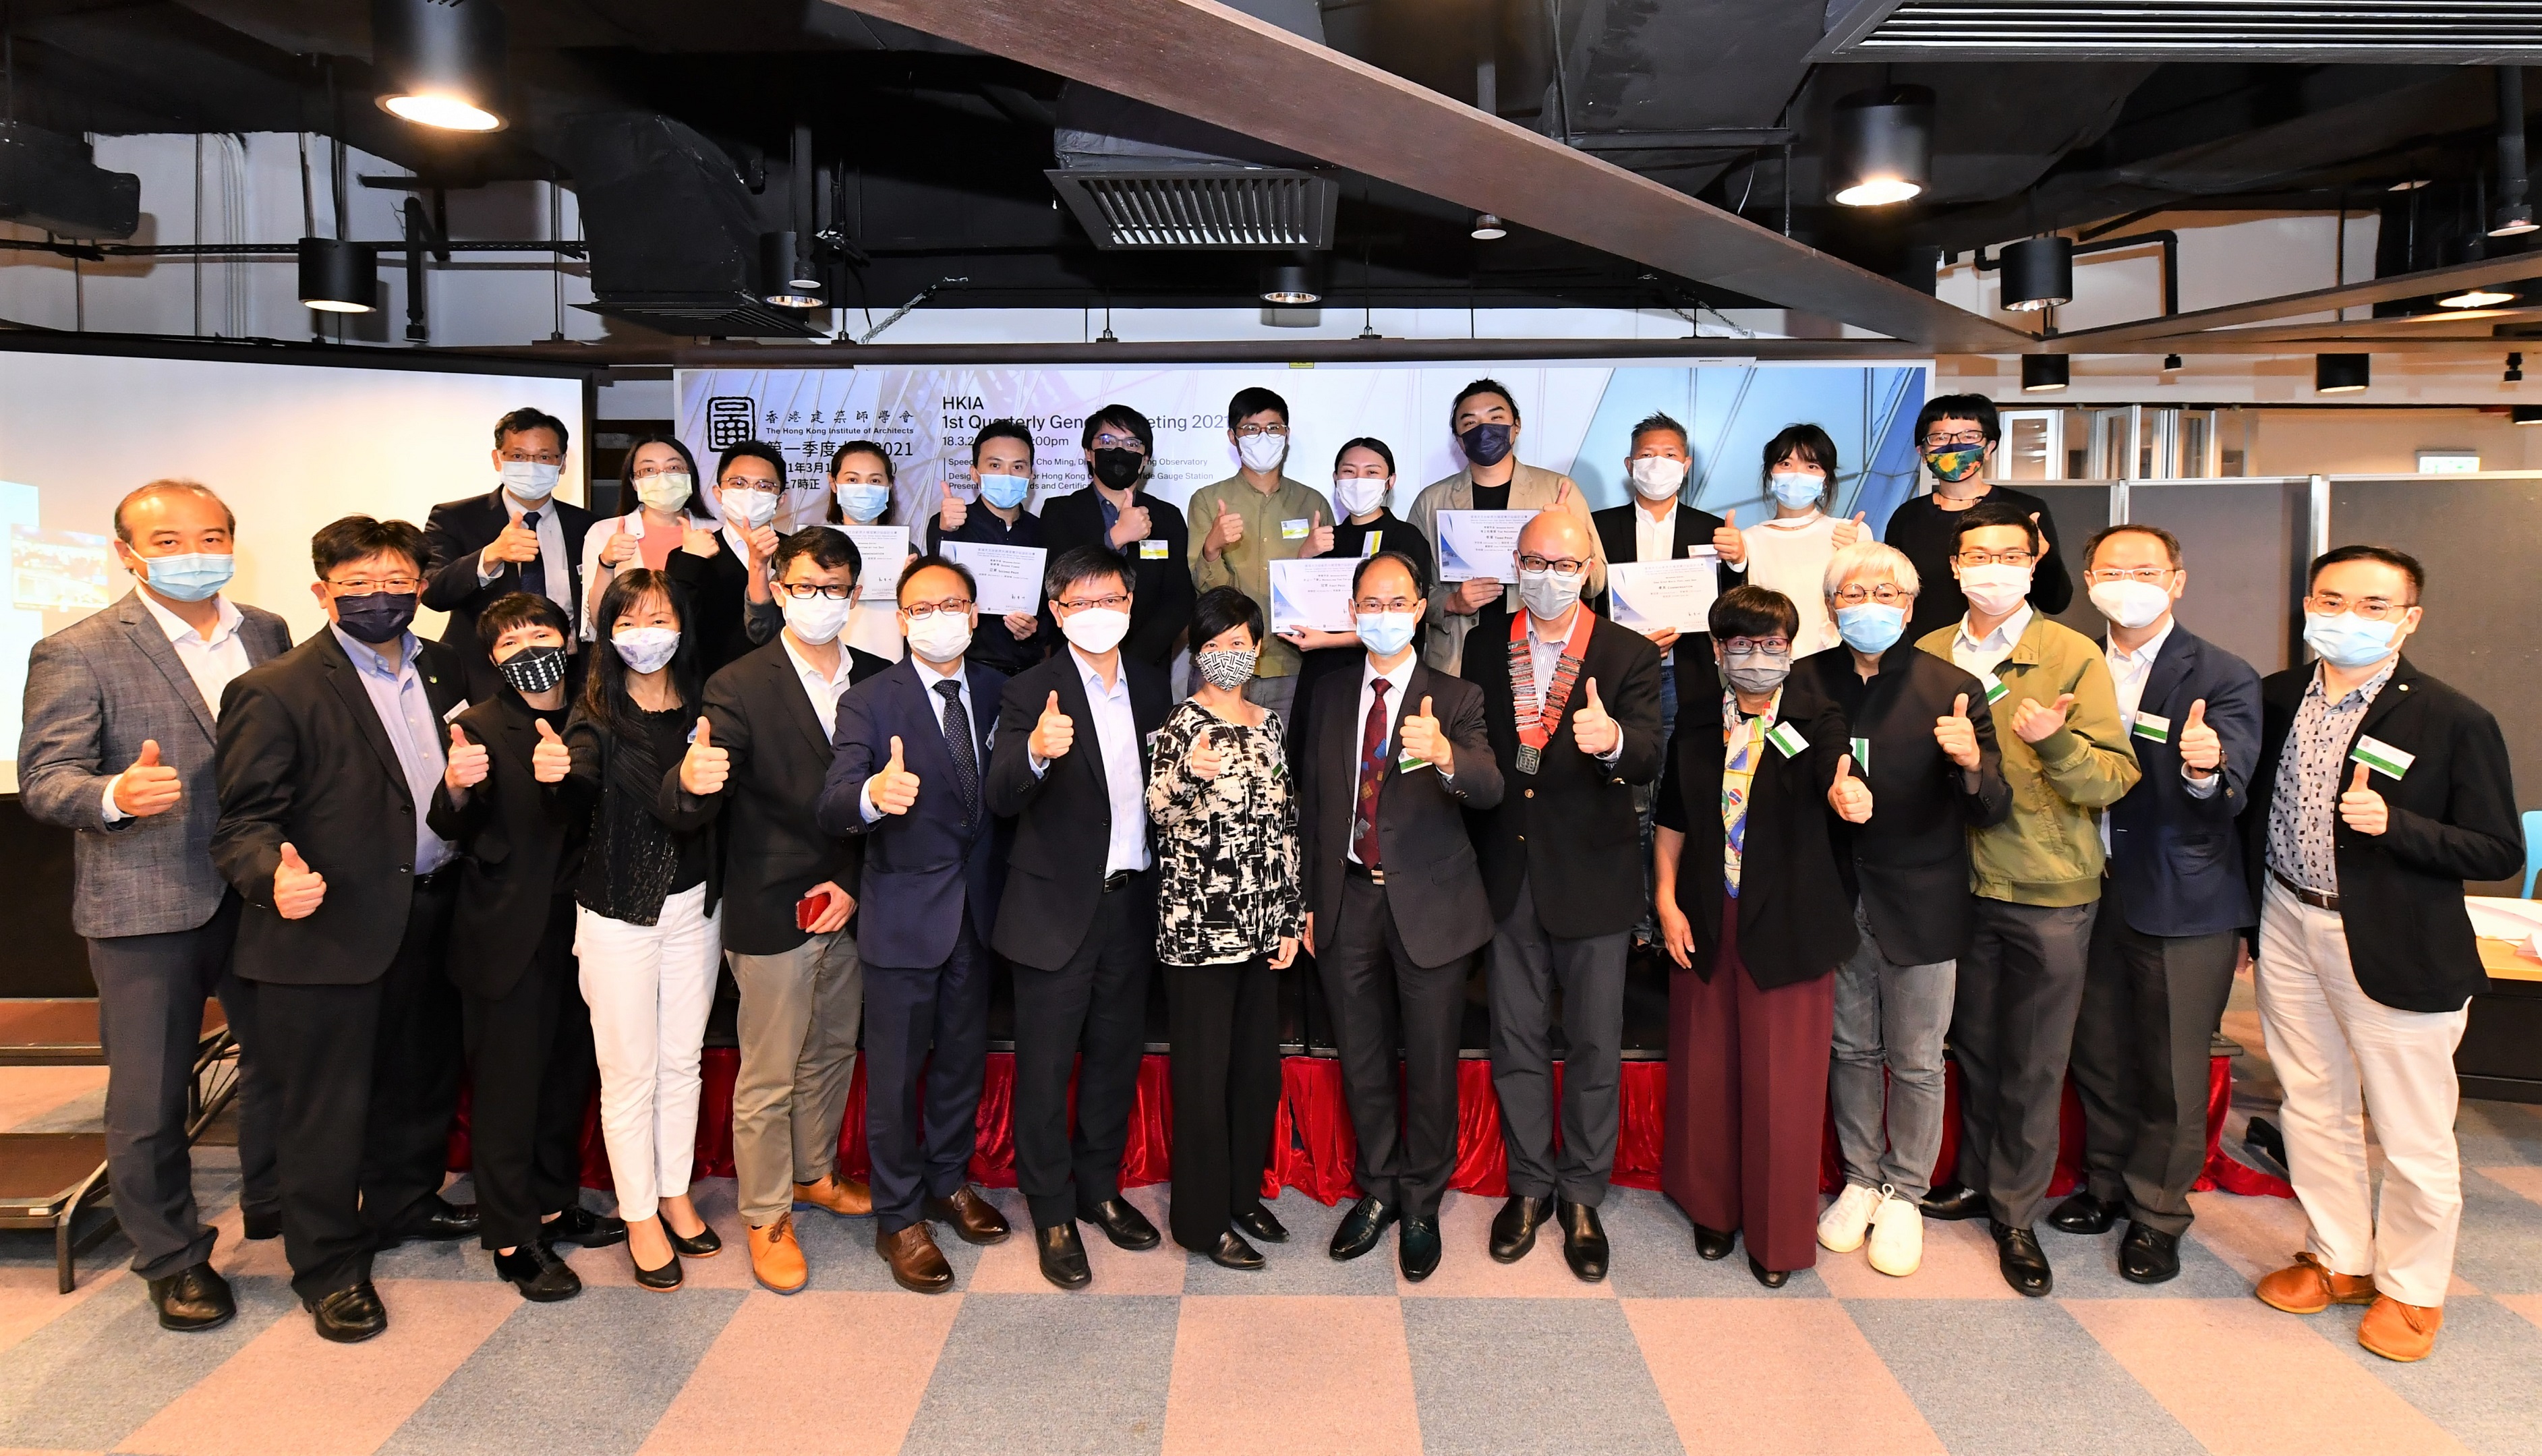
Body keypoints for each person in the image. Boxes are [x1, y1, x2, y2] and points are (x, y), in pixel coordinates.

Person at [19, 479, 285, 1331]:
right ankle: (171, 1255)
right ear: (126, 552)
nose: (193, 552)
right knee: (149, 1096)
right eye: (167, 540)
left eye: (210, 535)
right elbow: (44, 781)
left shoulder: (268, 630)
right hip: (143, 897)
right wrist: (114, 793)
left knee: (281, 1065)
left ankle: (279, 1204)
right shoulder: (80, 648)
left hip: (260, 891)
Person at [2246, 546, 2519, 1363]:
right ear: (2305, 603)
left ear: (2410, 618)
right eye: (2332, 599)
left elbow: (2495, 845)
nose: (2347, 617)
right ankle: (2339, 1257)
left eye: (2372, 605)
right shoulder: (2276, 694)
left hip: (2395, 942)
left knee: (2412, 1129)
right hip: (2287, 919)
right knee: (2311, 1101)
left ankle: (2411, 1287)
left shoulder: (2451, 717)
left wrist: (2396, 827)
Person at [210, 516, 477, 1343]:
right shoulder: (277, 687)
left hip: (437, 908)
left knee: (418, 1075)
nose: (380, 598)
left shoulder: (446, 668)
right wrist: (271, 875)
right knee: (325, 1106)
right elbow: (243, 821)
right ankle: (327, 1265)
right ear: (322, 591)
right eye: (358, 585)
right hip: (328, 925)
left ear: (421, 586)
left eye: (396, 582)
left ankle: (402, 1201)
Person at [1912, 499, 2138, 1298]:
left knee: (2036, 1058)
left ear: (2035, 559)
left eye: (2009, 554)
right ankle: (1974, 1177)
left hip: (2048, 889)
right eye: (1977, 555)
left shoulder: (2071, 654)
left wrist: (2055, 739)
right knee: (1972, 1045)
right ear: (1953, 566)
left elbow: (2113, 777)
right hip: (1955, 885)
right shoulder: (1930, 649)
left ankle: (2014, 1210)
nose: (1992, 568)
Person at [659, 529, 888, 1294]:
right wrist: (690, 779)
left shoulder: (882, 680)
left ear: (855, 596)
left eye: (835, 588)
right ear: (780, 589)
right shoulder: (738, 682)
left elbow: (886, 802)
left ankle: (813, 1173)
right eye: (805, 586)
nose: (820, 601)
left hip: (852, 897)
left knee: (830, 1052)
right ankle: (764, 1212)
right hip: (771, 903)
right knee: (768, 1068)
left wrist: (849, 881)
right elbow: (701, 798)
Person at [2050, 524, 2262, 1285]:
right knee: (2098, 1050)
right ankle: (2105, 1184)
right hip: (2085, 887)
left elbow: (2228, 790)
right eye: (2111, 569)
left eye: (2144, 569)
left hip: (2183, 896)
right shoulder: (2071, 658)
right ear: (2087, 578)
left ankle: (2158, 1213)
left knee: (2172, 1067)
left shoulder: (2222, 672)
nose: (2127, 581)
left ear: (2176, 579)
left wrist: (2207, 769)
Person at [1459, 509, 1663, 1281]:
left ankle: (1581, 1191)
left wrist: (1611, 741)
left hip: (1594, 879)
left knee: (1592, 1044)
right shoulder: (1485, 642)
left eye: (1565, 563)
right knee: (1514, 1040)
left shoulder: (1626, 650)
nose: (1549, 575)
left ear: (1589, 568)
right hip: (1507, 876)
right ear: (1516, 562)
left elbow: (1648, 755)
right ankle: (1528, 1186)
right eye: (1536, 560)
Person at [1794, 542, 2007, 1279]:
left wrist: (1970, 760)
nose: (1870, 602)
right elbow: (1783, 774)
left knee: (1917, 1056)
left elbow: (1993, 806)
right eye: (1853, 591)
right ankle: (1859, 1177)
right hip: (1834, 894)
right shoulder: (1803, 679)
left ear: (1912, 606)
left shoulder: (1953, 686)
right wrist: (1824, 789)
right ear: (1830, 606)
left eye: (1886, 591)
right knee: (1850, 1046)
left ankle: (1905, 1189)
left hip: (1921, 897)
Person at [1296, 550, 1501, 1281]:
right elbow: (1310, 804)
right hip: (1347, 897)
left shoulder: (1457, 695)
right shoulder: (1323, 693)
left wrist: (1444, 753)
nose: (1383, 612)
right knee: (1363, 1056)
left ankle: (1421, 1199)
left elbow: (1488, 787)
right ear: (1352, 610)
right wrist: (1308, 903)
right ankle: (1377, 1187)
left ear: (1420, 607)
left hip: (1431, 906)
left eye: (1397, 600)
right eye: (1369, 601)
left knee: (1432, 1058)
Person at [1652, 585, 1861, 1287]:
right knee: (1707, 1070)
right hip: (1707, 917)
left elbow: (1839, 770)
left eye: (1772, 645)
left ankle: (1776, 1236)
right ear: (1716, 650)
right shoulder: (1693, 727)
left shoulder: (1815, 716)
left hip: (1790, 924)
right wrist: (1664, 898)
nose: (1757, 658)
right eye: (1740, 644)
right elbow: (1673, 819)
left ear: (1790, 650)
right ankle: (1711, 1208)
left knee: (1783, 1084)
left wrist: (1847, 791)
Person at [815, 554, 1012, 1293]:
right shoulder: (869, 700)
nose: (939, 617)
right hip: (903, 917)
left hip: (979, 913)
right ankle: (898, 1216)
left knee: (962, 1061)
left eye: (953, 603)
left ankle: (947, 1179)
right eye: (922, 607)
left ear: (973, 612)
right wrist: (873, 791)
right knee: (896, 1076)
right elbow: (833, 801)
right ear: (900, 619)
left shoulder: (999, 689)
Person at [984, 546, 1172, 1289]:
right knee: (1046, 1066)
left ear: (1130, 604)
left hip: (1133, 903)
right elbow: (1000, 795)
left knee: (1114, 1056)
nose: (1100, 613)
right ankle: (1053, 1207)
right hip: (1055, 909)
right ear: (1057, 611)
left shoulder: (1155, 685)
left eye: (1113, 598)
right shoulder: (1028, 690)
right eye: (1082, 601)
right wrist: (1033, 752)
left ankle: (1098, 1186)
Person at [426, 591, 620, 1303]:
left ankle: (552, 1203)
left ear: (568, 641)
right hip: (508, 934)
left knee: (566, 1075)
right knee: (509, 1088)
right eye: (509, 643)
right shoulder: (477, 725)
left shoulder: (596, 713)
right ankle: (512, 1237)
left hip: (591, 930)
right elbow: (450, 818)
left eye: (539, 633)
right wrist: (454, 787)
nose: (528, 649)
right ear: (493, 660)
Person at [560, 569, 725, 1291]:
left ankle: (674, 1190)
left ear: (683, 625)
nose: (644, 634)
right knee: (629, 1071)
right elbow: (577, 783)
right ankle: (637, 1212)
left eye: (659, 618)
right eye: (627, 622)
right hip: (619, 913)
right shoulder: (592, 712)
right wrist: (552, 774)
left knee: (682, 1061)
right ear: (607, 632)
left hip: (697, 907)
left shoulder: (707, 705)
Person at [1145, 586, 1304, 1270]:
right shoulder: (1177, 725)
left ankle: (1242, 1194)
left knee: (1254, 1077)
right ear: (1196, 652)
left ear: (1258, 647)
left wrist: (1292, 917)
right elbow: (1157, 811)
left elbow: (1285, 827)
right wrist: (1187, 775)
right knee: (1203, 1084)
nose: (1229, 654)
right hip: (1199, 933)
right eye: (1215, 644)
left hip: (1264, 931)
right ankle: (1200, 1221)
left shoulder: (1269, 724)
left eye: (1240, 642)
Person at [1590, 411, 1731, 943]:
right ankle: (1630, 917)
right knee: (1625, 798)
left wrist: (1737, 565)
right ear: (1629, 464)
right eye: (1648, 455)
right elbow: (1585, 603)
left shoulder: (1711, 530)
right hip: (1621, 684)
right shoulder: (1598, 527)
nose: (1658, 464)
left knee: (1678, 797)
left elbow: (1729, 610)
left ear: (1686, 464)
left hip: (1688, 681)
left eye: (1669, 455)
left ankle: (1671, 909)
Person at [1406, 378, 1602, 675]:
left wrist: (1567, 535)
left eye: (1496, 418)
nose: (1484, 429)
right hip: (1457, 660)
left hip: (1540, 657)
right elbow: (1408, 589)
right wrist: (1451, 602)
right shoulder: (1431, 502)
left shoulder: (1558, 490)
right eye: (1470, 422)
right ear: (1459, 439)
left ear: (1516, 426)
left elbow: (1597, 580)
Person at [1283, 438, 1435, 776]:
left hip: (1380, 675)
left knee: (1375, 772)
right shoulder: (1326, 538)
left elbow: (1406, 624)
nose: (1358, 480)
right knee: (1321, 776)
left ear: (1390, 480)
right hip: (1324, 676)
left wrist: (1328, 640)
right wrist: (1304, 556)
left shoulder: (1406, 538)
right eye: (1349, 472)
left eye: (1371, 472)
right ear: (1335, 479)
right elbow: (1295, 609)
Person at [421, 407, 594, 703]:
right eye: (518, 456)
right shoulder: (455, 517)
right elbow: (433, 592)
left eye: (544, 457)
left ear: (562, 463)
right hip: (483, 680)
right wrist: (490, 556)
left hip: (571, 680)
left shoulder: (588, 526)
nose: (531, 465)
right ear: (497, 458)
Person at [1186, 386, 1331, 722]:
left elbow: (1327, 590)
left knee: (1287, 763)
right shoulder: (1208, 500)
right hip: (1224, 660)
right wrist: (1212, 547)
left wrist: (1306, 560)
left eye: (1273, 428)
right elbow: (1205, 591)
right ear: (1233, 437)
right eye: (1251, 429)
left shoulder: (1313, 503)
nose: (1263, 437)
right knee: (1220, 764)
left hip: (1291, 662)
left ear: (1287, 435)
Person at [1881, 395, 2073, 645]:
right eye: (1940, 437)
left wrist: (2044, 556)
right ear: (1923, 451)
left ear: (1989, 447)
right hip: (1926, 655)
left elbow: (2056, 603)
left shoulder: (2024, 509)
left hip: (2010, 653)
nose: (1954, 446)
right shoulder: (1906, 517)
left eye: (1969, 436)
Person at [578, 433, 770, 673]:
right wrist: (606, 563)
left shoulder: (717, 533)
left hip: (698, 667)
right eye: (649, 470)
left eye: (674, 467)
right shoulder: (605, 532)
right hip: (625, 668)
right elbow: (599, 621)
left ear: (690, 476)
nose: (663, 478)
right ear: (633, 482)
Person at [1041, 404, 1193, 676]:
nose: (1120, 451)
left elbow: (1179, 600)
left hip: (1147, 666)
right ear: (1089, 453)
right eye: (1108, 441)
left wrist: (1132, 660)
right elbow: (1057, 584)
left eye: (1132, 443)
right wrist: (1115, 538)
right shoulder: (1058, 511)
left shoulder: (1167, 517)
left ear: (1146, 458)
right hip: (1074, 664)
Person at [1712, 423, 1866, 658]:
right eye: (1786, 464)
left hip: (1835, 664)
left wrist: (1858, 558)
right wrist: (1736, 562)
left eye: (1811, 466)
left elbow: (1870, 602)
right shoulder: (1748, 540)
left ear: (1826, 479)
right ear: (1770, 473)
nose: (1797, 474)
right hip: (1770, 666)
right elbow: (1735, 615)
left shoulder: (1850, 533)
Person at [927, 419, 1051, 678]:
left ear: (1030, 475)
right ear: (975, 473)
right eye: (995, 465)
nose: (1007, 475)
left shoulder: (1044, 532)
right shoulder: (952, 525)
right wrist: (945, 531)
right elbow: (937, 592)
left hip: (1029, 674)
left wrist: (1035, 629)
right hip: (968, 673)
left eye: (1018, 466)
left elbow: (1057, 604)